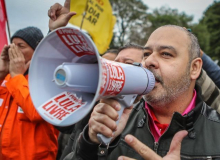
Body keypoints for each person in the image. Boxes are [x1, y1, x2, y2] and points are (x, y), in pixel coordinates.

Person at [68, 25, 220, 160]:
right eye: (146, 54)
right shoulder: (116, 119)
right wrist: (90, 144)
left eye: (166, 54)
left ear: (194, 68)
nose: (148, 61)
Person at [0, 27, 59, 160]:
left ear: (36, 51)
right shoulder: (8, 78)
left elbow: (36, 113)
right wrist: (1, 74)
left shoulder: (48, 79)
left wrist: (16, 76)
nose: (14, 51)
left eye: (20, 46)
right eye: (12, 46)